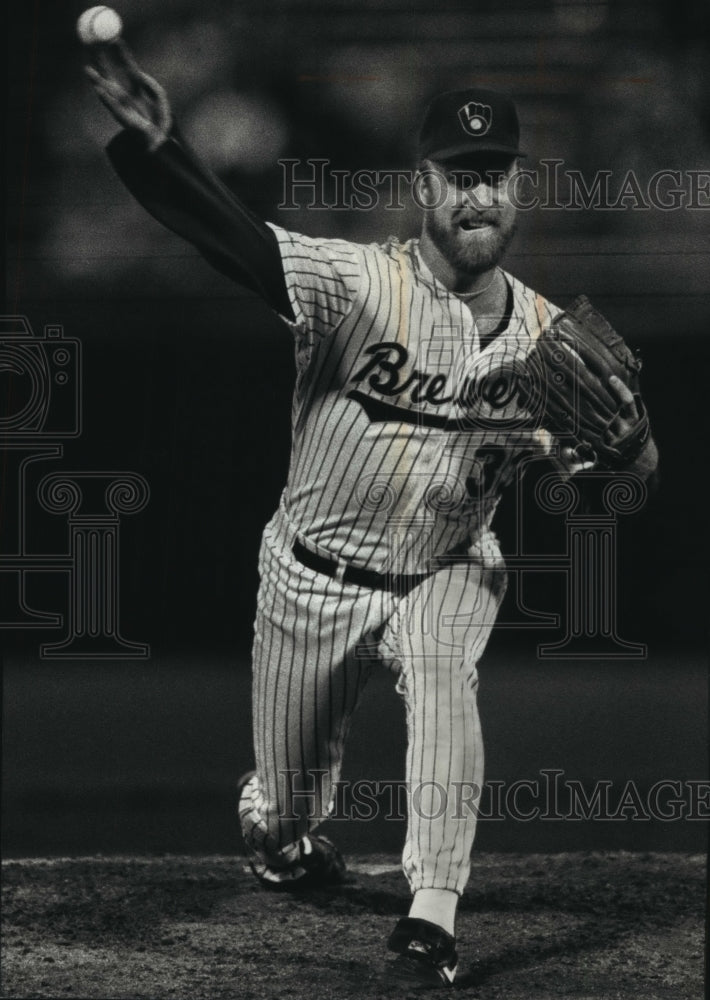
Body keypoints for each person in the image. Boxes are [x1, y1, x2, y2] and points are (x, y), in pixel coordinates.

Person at [86, 47, 658, 989]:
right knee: (284, 814)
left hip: (447, 568)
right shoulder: (355, 284)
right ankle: (280, 834)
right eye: (460, 176)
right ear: (423, 184)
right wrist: (159, 148)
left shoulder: (548, 339)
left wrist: (633, 441)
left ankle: (430, 920)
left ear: (519, 188)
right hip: (311, 580)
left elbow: (637, 466)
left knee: (443, 675)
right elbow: (227, 236)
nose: (479, 195)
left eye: (496, 176)